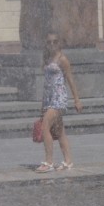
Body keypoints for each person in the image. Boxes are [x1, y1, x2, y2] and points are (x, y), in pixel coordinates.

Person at [36, 32, 83, 173]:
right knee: (59, 131)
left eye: (55, 42)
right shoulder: (47, 58)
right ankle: (68, 161)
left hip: (59, 98)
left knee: (45, 127)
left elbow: (70, 79)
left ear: (59, 43)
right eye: (49, 42)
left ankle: (49, 162)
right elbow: (46, 84)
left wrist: (77, 99)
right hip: (49, 98)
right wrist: (43, 104)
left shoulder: (62, 59)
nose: (52, 44)